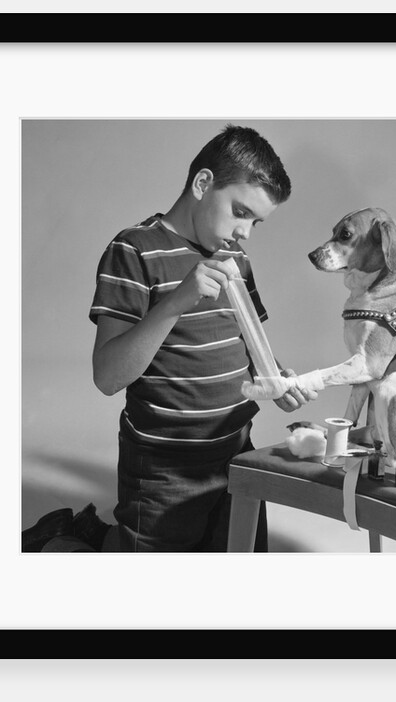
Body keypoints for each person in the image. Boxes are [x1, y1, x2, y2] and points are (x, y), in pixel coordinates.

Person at [84, 124, 314, 552]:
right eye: (241, 212)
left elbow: (247, 342)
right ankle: (72, 543)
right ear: (203, 183)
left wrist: (274, 376)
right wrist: (176, 301)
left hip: (237, 454)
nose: (246, 232)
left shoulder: (235, 259)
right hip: (162, 470)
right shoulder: (133, 250)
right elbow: (108, 377)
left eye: (256, 222)